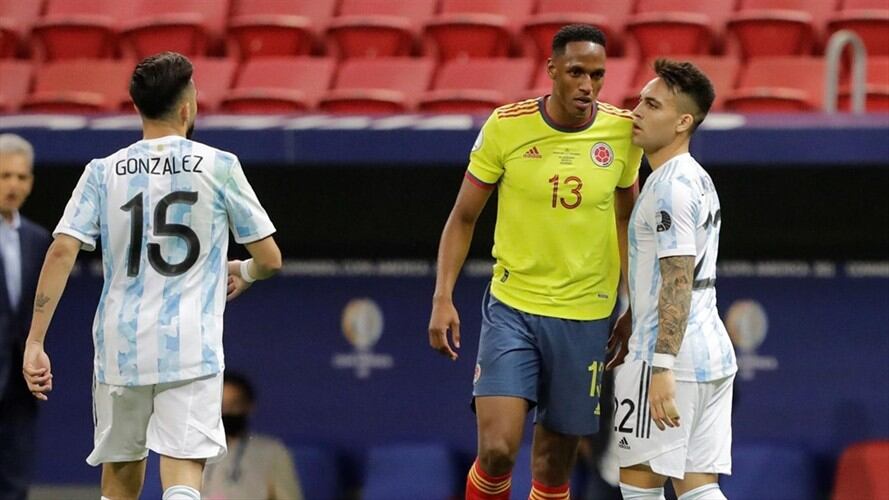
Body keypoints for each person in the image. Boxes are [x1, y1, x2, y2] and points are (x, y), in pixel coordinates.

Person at [21, 52, 282, 500]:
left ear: (139, 108)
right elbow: (270, 257)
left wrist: (36, 340)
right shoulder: (220, 166)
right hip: (190, 345)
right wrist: (246, 271)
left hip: (120, 347)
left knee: (120, 480)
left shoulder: (102, 171)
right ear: (186, 108)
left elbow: (62, 249)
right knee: (182, 474)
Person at [428, 24, 642, 500]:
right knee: (499, 450)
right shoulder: (507, 126)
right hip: (513, 308)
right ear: (551, 71)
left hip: (587, 317)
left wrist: (635, 305)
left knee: (551, 467)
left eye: (598, 75)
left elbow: (630, 221)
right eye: (576, 72)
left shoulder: (623, 134)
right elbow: (463, 218)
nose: (587, 85)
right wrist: (443, 296)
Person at [609, 59, 737, 500]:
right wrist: (633, 314)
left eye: (651, 104)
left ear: (684, 121)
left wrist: (661, 366)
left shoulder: (669, 189)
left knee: (639, 483)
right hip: (710, 353)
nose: (636, 112)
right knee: (698, 486)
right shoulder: (695, 178)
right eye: (639, 100)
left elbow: (679, 280)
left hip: (668, 360)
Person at [0, 134, 51, 500]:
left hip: (19, 385)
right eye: (4, 176)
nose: (13, 186)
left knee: (15, 483)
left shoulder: (38, 239)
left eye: (20, 177)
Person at [203, 371, 303, 500]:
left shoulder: (271, 451)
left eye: (234, 405)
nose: (226, 412)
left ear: (248, 406)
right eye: (221, 406)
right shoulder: (194, 449)